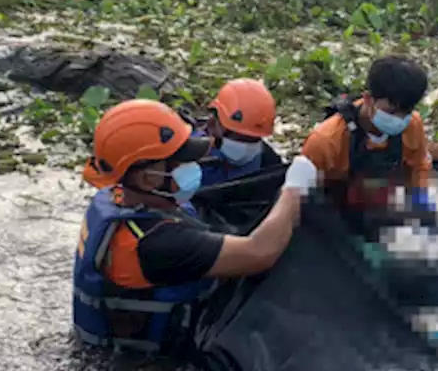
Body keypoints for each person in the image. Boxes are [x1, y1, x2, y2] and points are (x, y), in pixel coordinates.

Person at [73, 99, 319, 354]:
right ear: (148, 178)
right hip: (143, 369)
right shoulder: (160, 243)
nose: (193, 166)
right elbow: (260, 252)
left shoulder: (111, 199)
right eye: (180, 161)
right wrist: (293, 190)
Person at [301, 55, 433, 217]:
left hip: (382, 209)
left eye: (406, 112)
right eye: (391, 112)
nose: (399, 119)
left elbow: (418, 166)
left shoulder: (412, 125)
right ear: (368, 99)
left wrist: (420, 200)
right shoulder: (326, 141)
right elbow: (302, 197)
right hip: (335, 214)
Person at [197, 79, 284, 188]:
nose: (246, 146)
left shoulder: (269, 164)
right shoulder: (186, 154)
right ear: (213, 123)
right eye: (238, 137)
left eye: (253, 139)